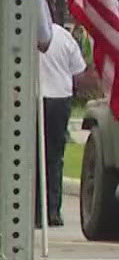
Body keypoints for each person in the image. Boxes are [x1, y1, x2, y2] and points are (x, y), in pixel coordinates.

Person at [38, 20, 88, 227]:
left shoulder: (26, 34)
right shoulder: (65, 38)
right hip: (59, 99)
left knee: (33, 157)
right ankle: (52, 211)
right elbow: (79, 71)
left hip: (35, 98)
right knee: (54, 156)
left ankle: (36, 210)